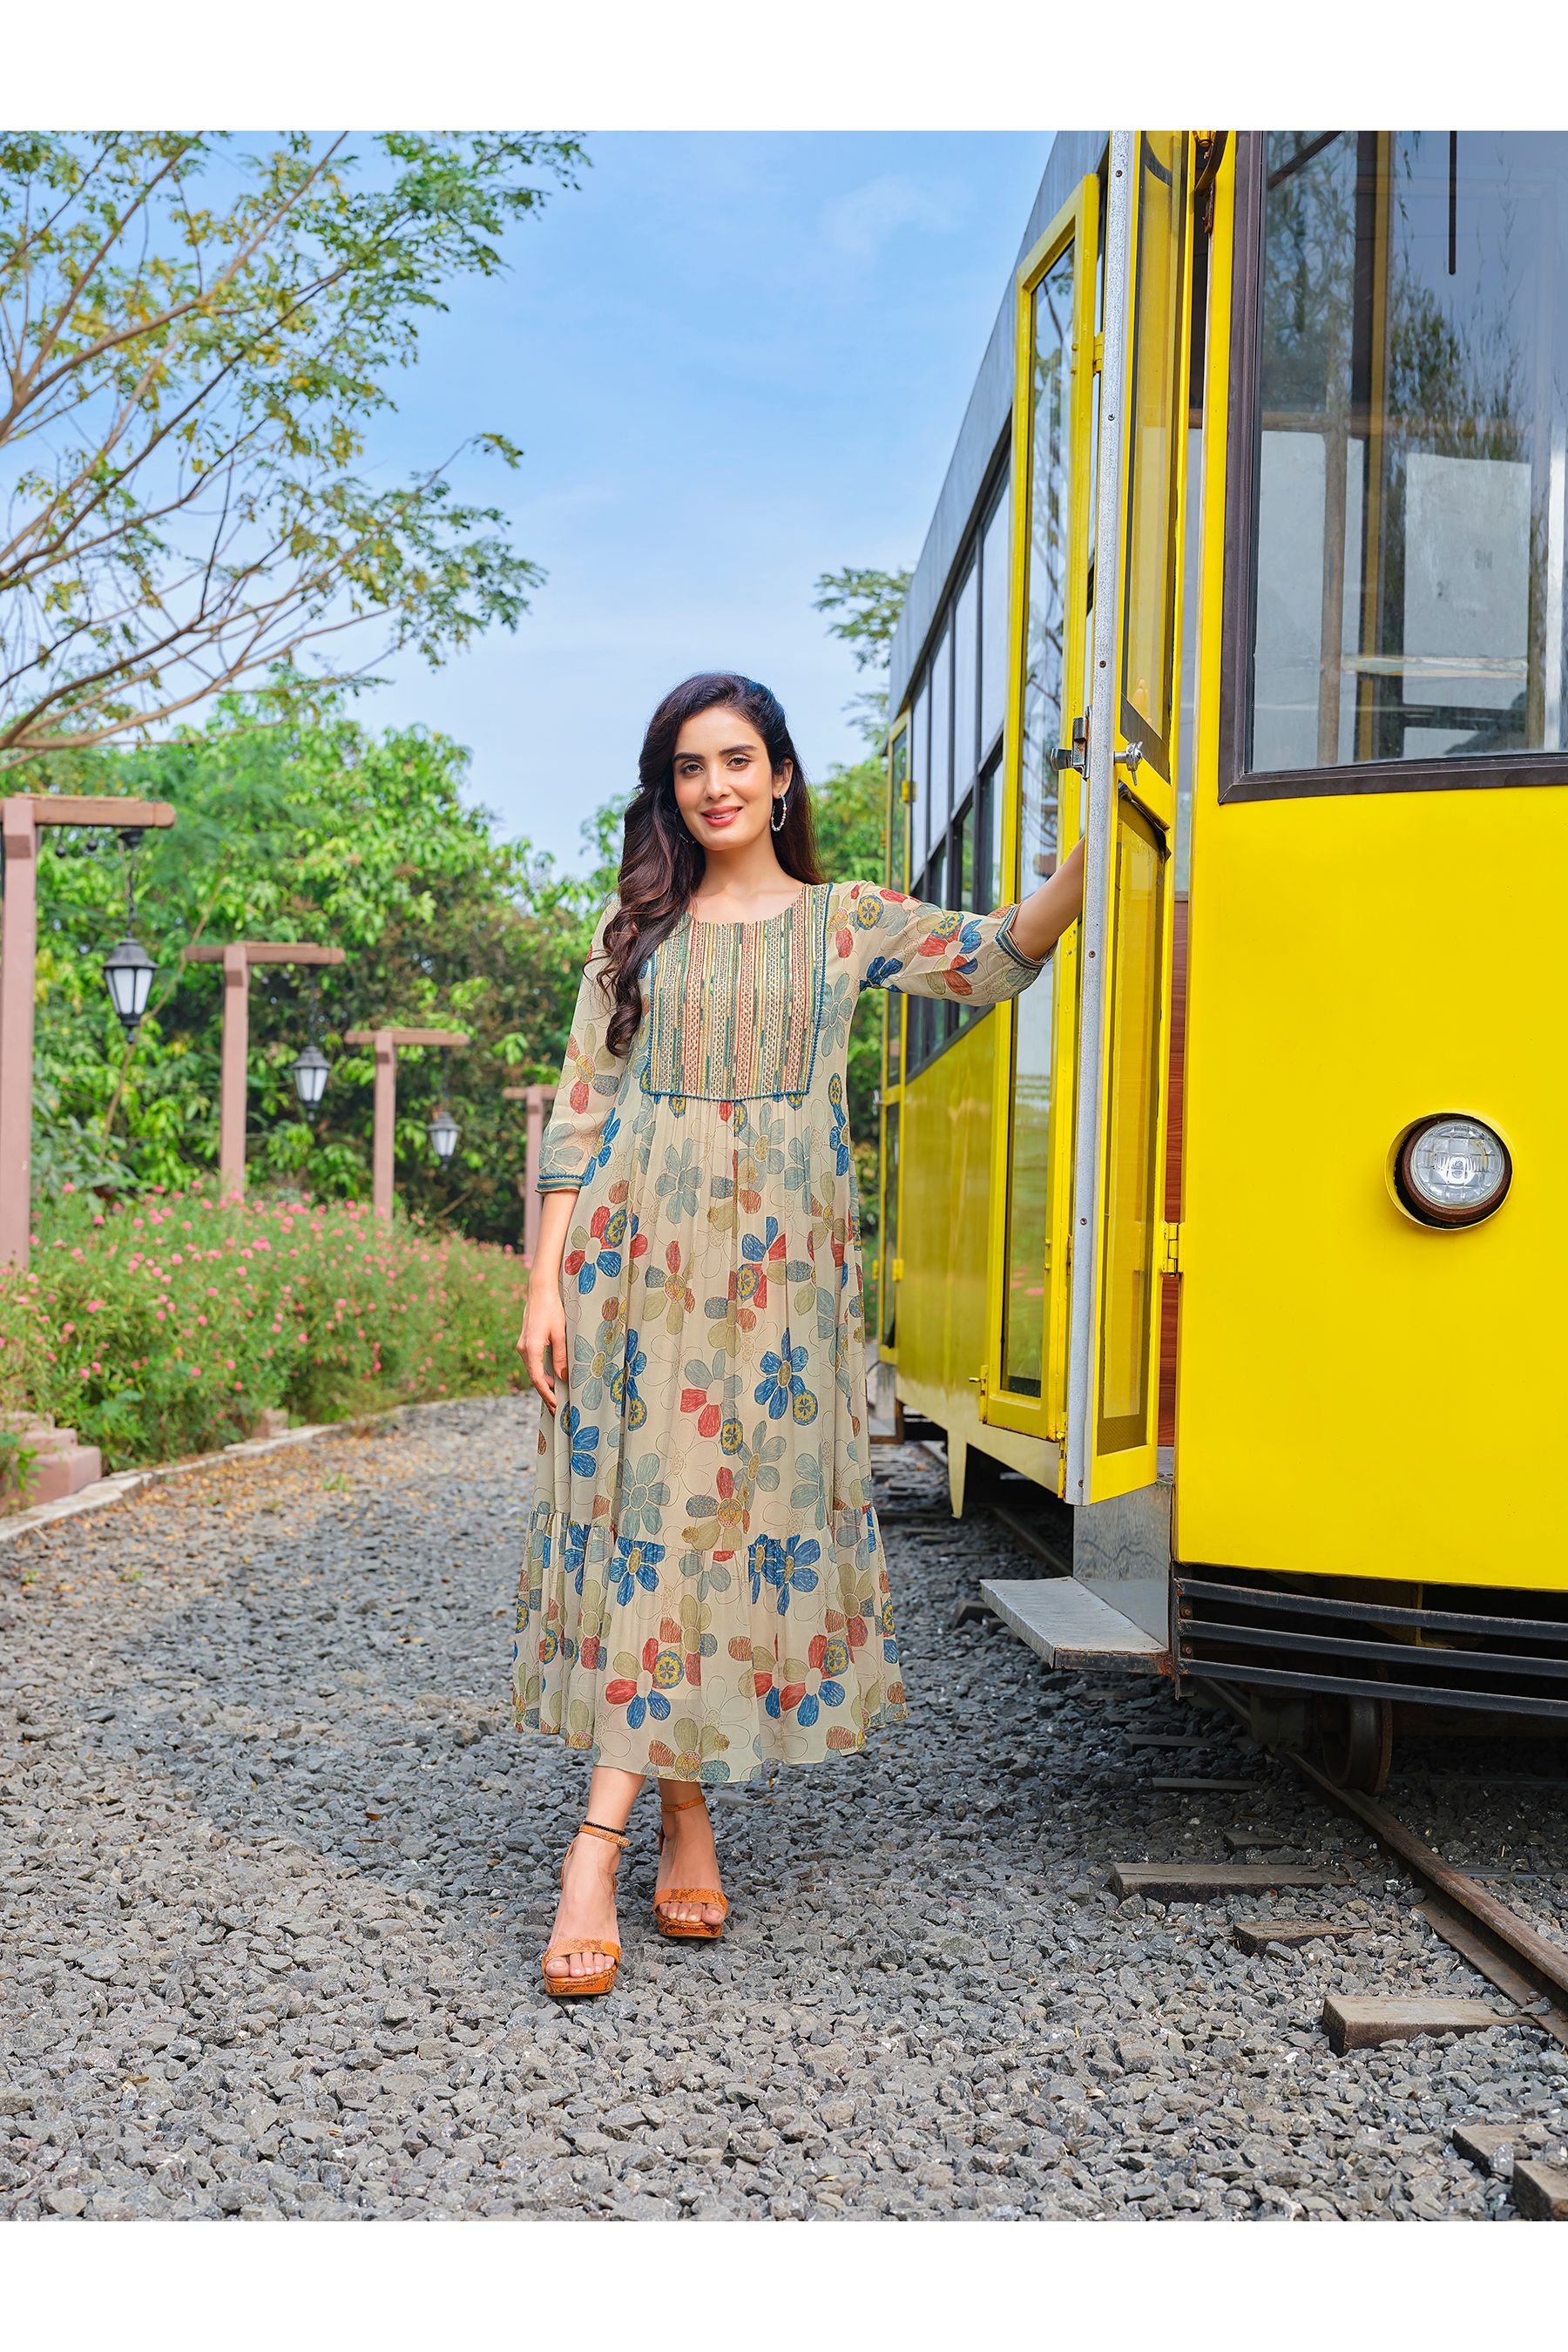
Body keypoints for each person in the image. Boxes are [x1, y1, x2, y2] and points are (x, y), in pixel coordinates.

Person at [517, 672, 1084, 1996]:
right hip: (636, 1267)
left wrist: (1092, 854)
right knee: (657, 1524)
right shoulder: (634, 934)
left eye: (736, 759)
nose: (713, 786)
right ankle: (602, 1850)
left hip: (781, 1284)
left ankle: (687, 1814)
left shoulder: (845, 923)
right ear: (671, 792)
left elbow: (1001, 952)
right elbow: (579, 1115)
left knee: (723, 1524)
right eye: (688, 768)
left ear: (781, 777)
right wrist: (543, 1284)